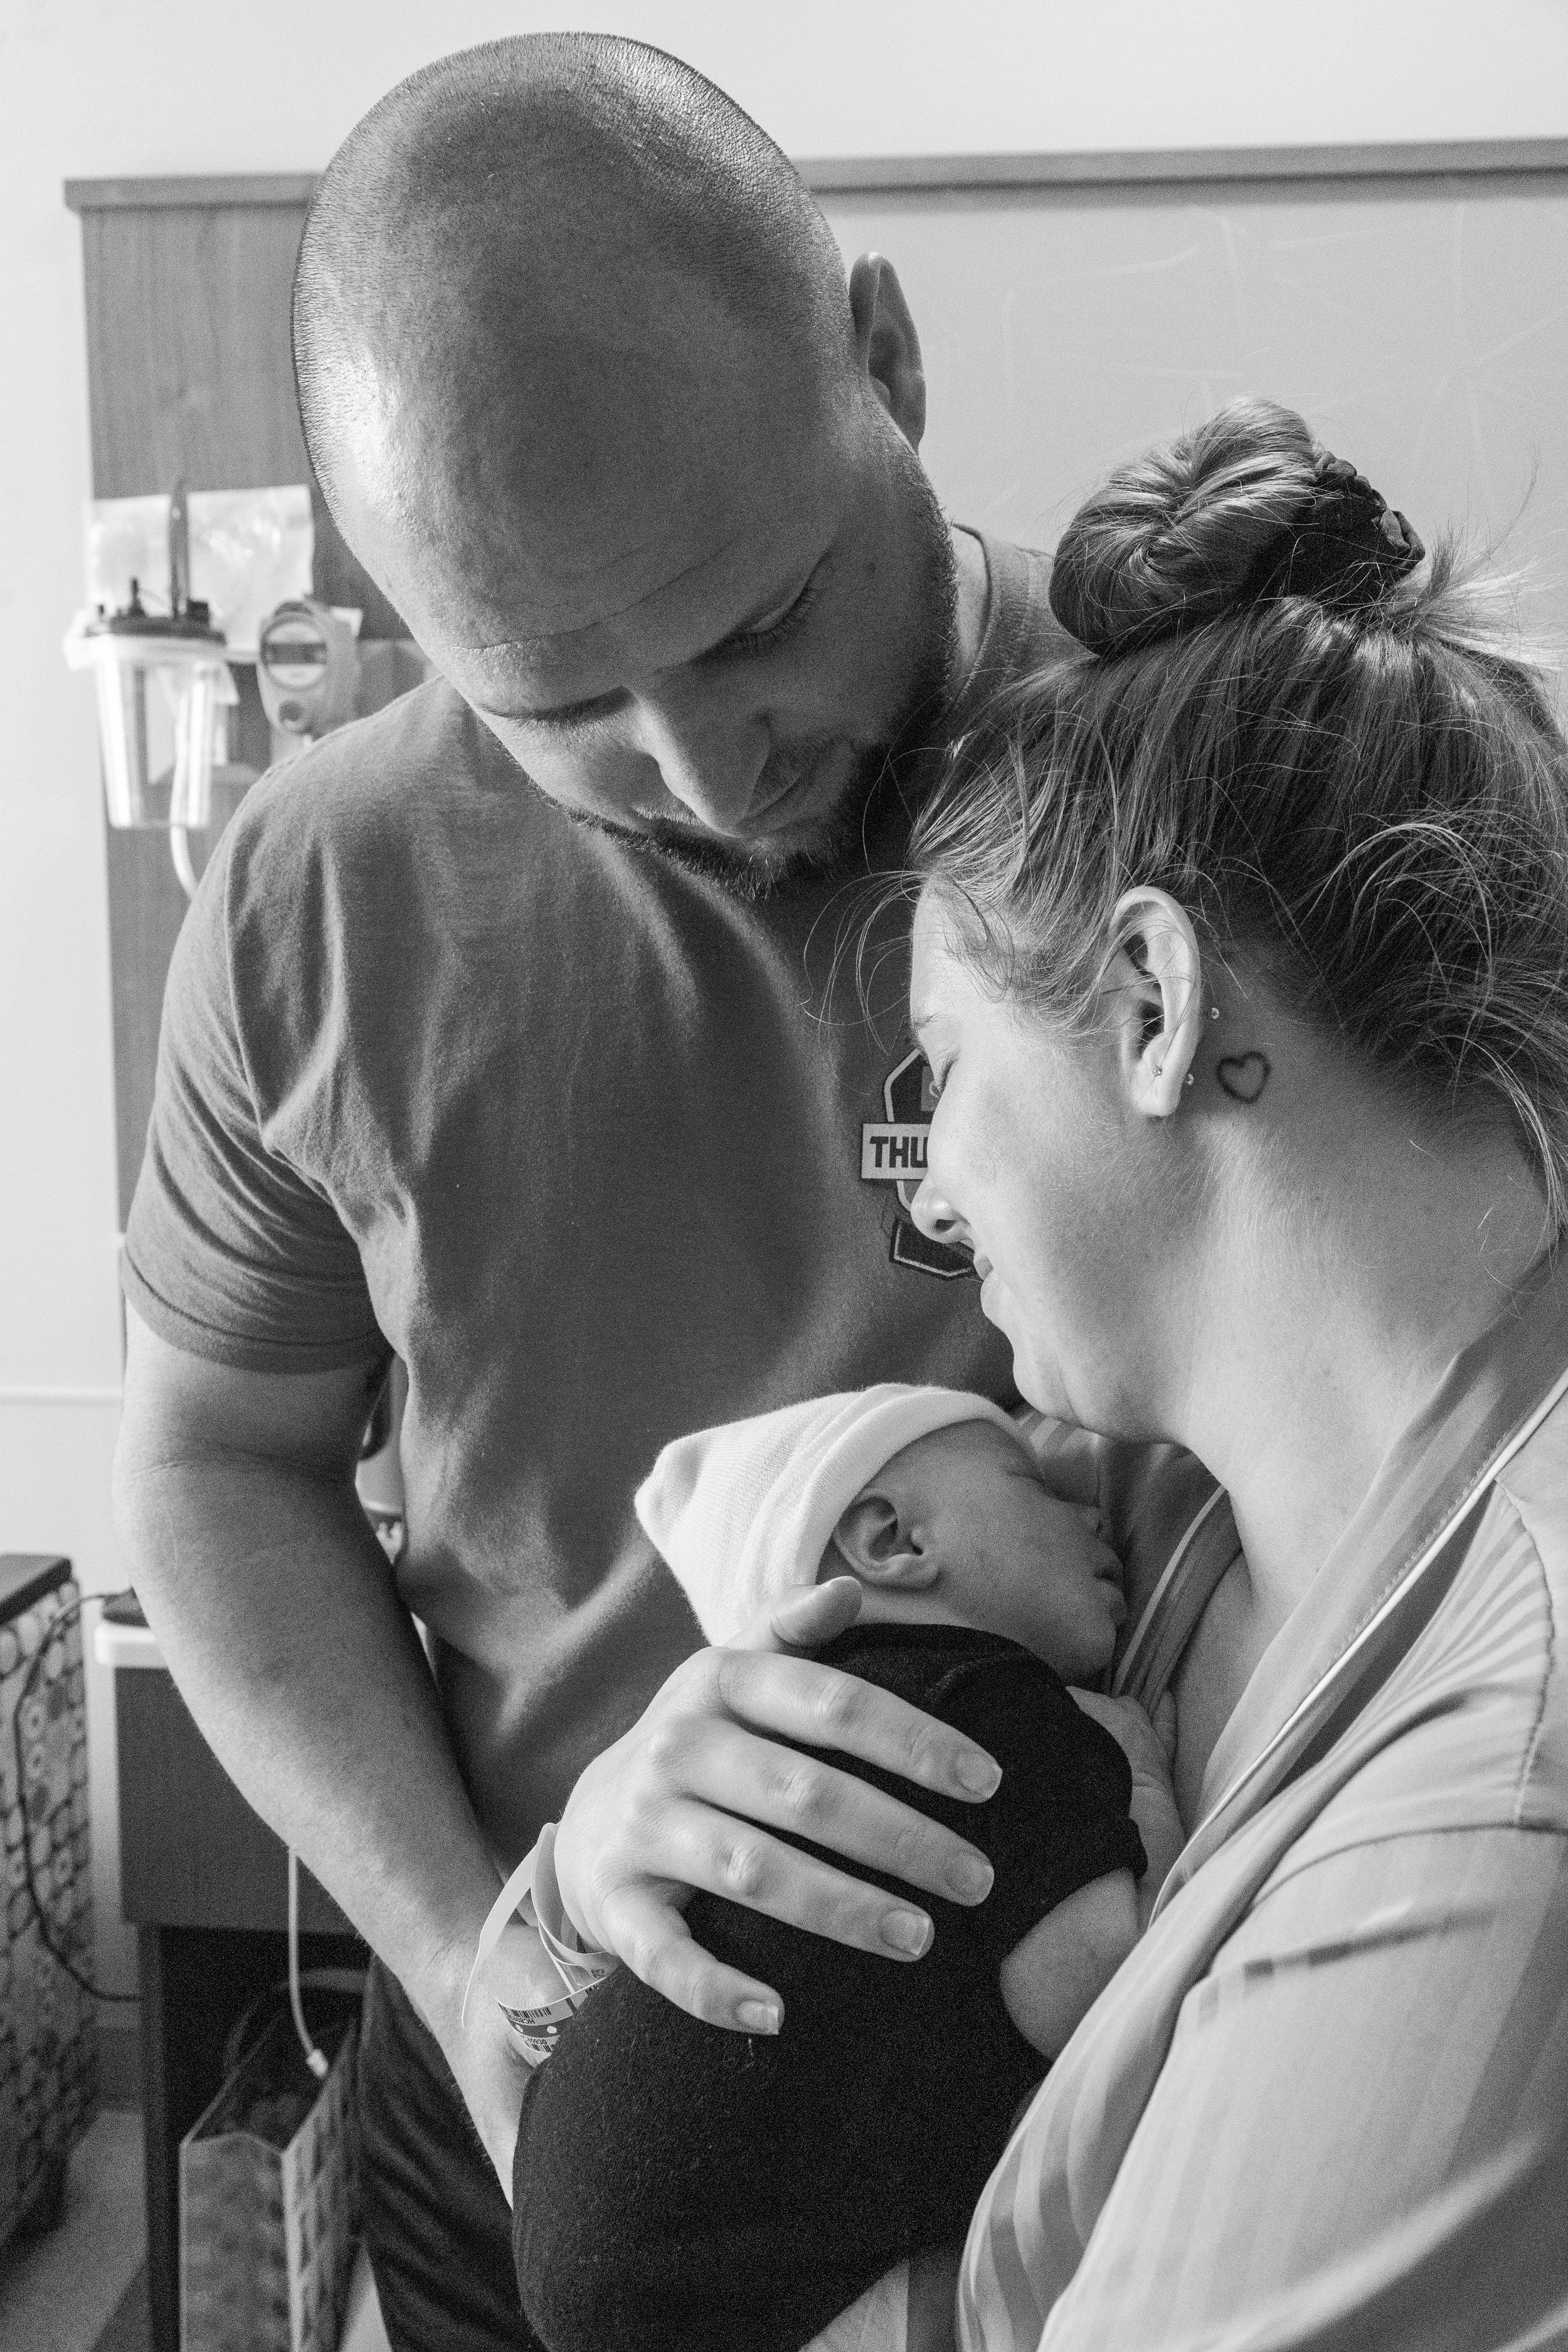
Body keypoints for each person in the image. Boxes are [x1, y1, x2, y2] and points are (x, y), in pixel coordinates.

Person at [107, 36, 1219, 2349]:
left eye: (750, 628)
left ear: (885, 364)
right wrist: (473, 1954)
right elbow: (216, 1463)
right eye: (561, 703)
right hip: (542, 2095)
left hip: (1107, 2076)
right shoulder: (316, 889)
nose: (708, 773)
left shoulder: (1206, 801)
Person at [899, 395, 1568, 2348]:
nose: (932, 1185)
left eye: (944, 1064)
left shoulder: (1490, 1809)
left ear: (1148, 998)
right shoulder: (1181, 1519)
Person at [506, 1385, 1180, 2351]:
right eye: (1034, 1488)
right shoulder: (990, 1702)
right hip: (746, 2269)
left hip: (576, 2217)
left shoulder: (749, 1766)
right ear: (891, 1539)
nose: (1091, 1512)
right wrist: (1147, 1779)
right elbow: (1100, 1997)